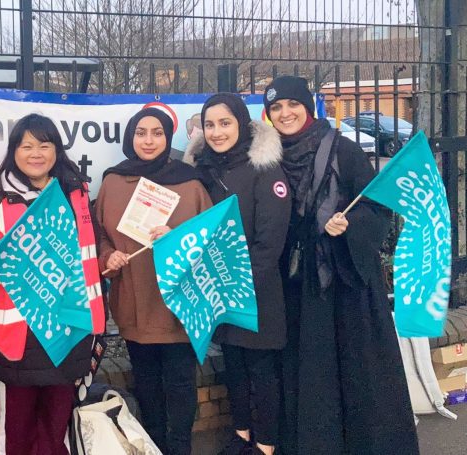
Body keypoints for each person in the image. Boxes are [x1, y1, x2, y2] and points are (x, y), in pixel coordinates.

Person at [263, 75, 420, 454]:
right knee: (310, 375)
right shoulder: (269, 158)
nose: (285, 114)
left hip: (345, 285)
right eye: (276, 108)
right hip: (298, 284)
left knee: (357, 372)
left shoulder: (343, 150)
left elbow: (376, 205)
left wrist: (350, 224)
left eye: (292, 105)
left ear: (308, 106)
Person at [0, 113, 105, 455]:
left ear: (57, 150)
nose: (36, 153)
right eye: (26, 145)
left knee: (56, 433)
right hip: (19, 339)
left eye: (45, 144)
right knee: (18, 434)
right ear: (14, 151)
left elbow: (90, 256)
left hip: (69, 330)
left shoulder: (77, 194)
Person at [95, 107, 212, 455]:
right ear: (131, 137)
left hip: (177, 305)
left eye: (157, 133)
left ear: (167, 138)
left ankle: (179, 449)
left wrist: (177, 238)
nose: (148, 140)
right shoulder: (113, 181)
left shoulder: (190, 183)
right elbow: (100, 235)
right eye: (141, 132)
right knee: (146, 385)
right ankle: (153, 446)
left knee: (180, 386)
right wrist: (107, 258)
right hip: (135, 302)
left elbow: (209, 240)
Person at [192, 93, 291, 455]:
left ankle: (265, 445)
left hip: (257, 291)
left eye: (225, 123)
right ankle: (241, 435)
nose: (217, 132)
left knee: (261, 372)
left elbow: (270, 241)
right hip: (218, 289)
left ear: (241, 124)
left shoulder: (264, 168)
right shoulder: (201, 171)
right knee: (233, 367)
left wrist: (236, 284)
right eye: (210, 124)